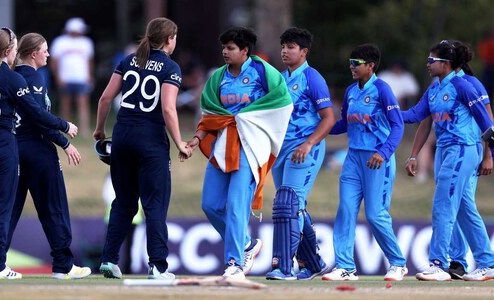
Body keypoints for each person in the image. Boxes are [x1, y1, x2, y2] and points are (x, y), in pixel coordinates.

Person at [0, 27, 78, 280]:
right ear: (9, 51)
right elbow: (35, 113)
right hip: (0, 146)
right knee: (0, 205)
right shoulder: (11, 78)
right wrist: (64, 125)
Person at [187, 27, 293, 279]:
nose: (225, 52)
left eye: (231, 48)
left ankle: (234, 263)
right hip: (223, 146)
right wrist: (196, 139)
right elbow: (211, 114)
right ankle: (247, 243)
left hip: (251, 145)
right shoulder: (217, 77)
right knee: (210, 204)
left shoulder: (262, 72)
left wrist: (250, 120)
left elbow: (281, 102)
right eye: (223, 47)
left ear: (245, 51)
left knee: (236, 205)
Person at [93, 17, 191, 280]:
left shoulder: (128, 61)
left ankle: (109, 259)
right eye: (175, 37)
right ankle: (158, 266)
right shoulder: (170, 67)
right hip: (150, 141)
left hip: (122, 137)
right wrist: (180, 142)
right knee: (154, 204)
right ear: (169, 39)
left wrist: (100, 129)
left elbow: (105, 97)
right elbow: (168, 108)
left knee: (123, 202)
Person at [402, 40, 494, 281]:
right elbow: (415, 115)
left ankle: (439, 264)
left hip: (463, 148)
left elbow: (487, 122)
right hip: (443, 149)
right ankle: (488, 262)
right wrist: (386, 109)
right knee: (464, 209)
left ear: (447, 63)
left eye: (432, 60)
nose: (428, 64)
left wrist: (489, 154)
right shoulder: (434, 88)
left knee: (443, 204)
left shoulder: (465, 85)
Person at [2, 32, 91, 279]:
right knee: (54, 207)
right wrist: (64, 141)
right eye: (45, 50)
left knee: (9, 209)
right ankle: (63, 265)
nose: (49, 54)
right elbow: (38, 117)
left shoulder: (8, 77)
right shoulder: (34, 77)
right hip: (39, 151)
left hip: (13, 151)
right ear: (34, 54)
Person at [322, 44, 408, 281]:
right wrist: (320, 128)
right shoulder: (351, 91)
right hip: (353, 158)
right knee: (346, 210)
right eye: (350, 62)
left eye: (356, 63)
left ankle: (398, 263)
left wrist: (384, 152)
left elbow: (397, 125)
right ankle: (345, 266)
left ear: (370, 66)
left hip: (376, 159)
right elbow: (344, 123)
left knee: (375, 214)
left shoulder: (382, 89)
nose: (351, 67)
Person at [264, 27, 334, 281]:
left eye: (291, 47)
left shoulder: (313, 78)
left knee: (287, 205)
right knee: (295, 207)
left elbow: (328, 119)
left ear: (304, 52)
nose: (285, 51)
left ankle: (283, 267)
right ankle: (315, 263)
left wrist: (308, 144)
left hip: (305, 150)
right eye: (283, 46)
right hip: (281, 151)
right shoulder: (280, 78)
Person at [50, 17, 94, 137]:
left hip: (82, 78)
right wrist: (58, 77)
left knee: (83, 103)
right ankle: (66, 128)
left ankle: (84, 130)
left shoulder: (86, 42)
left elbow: (90, 60)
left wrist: (90, 75)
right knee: (66, 103)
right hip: (65, 77)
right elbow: (54, 61)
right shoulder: (60, 42)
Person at [102, 172, 144, 274]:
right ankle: (125, 270)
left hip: (118, 217)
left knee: (115, 245)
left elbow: (106, 195)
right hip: (131, 217)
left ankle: (113, 266)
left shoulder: (113, 175)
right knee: (128, 247)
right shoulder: (140, 174)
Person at [478, 28, 494, 99]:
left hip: (487, 68)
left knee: (487, 90)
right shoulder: (488, 44)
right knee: (488, 90)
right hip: (490, 68)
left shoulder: (482, 45)